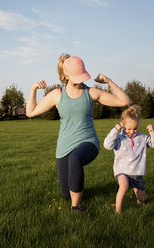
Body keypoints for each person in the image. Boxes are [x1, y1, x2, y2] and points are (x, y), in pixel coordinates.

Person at [26, 54, 131, 213]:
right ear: (66, 75)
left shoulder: (91, 93)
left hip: (88, 142)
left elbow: (125, 102)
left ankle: (76, 208)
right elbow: (30, 112)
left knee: (76, 159)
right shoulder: (57, 94)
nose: (81, 80)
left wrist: (109, 82)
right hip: (64, 147)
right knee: (66, 194)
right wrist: (33, 89)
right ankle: (74, 196)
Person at [103, 105, 154, 214]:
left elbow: (153, 144)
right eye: (128, 129)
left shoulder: (142, 138)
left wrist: (153, 132)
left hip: (137, 172)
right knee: (123, 186)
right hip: (122, 170)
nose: (131, 131)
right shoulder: (118, 138)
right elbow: (107, 145)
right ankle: (118, 212)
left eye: (135, 129)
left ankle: (140, 203)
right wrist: (115, 130)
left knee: (142, 199)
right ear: (123, 124)